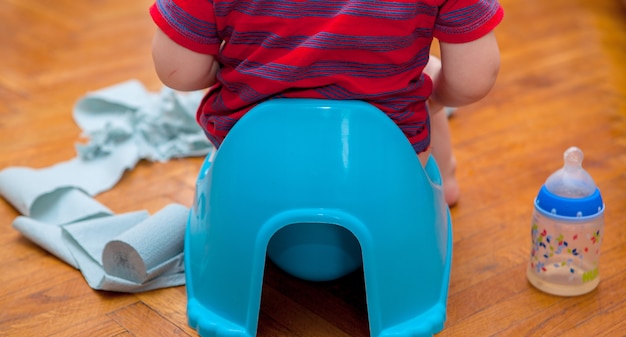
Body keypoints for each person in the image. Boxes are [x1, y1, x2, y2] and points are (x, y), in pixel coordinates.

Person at [150, 0, 503, 206]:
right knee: (420, 79)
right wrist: (433, 99)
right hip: (385, 168)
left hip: (256, 165)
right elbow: (474, 77)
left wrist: (231, 68)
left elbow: (176, 70)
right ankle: (445, 183)